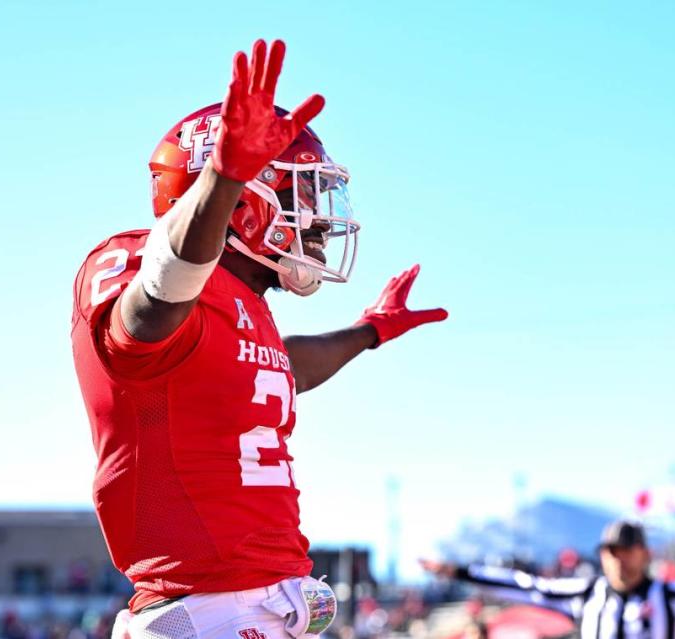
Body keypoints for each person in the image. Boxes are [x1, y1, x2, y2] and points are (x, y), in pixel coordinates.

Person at [71, 39, 447, 639]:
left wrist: (369, 331)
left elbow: (282, 367)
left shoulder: (243, 309)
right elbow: (148, 314)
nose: (320, 218)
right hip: (208, 616)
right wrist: (223, 175)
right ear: (245, 202)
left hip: (272, 608)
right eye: (303, 193)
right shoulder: (140, 266)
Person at [422, 520, 675, 639]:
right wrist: (458, 571)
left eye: (625, 551)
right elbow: (523, 585)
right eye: (609, 552)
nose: (617, 560)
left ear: (643, 553)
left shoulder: (671, 597)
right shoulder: (584, 593)